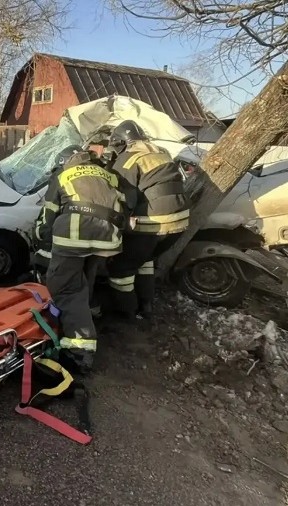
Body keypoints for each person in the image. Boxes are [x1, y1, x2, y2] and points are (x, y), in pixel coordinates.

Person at [33, 145, 130, 373]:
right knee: (86, 276)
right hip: (108, 238)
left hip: (75, 236)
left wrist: (41, 236)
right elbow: (126, 204)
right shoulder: (107, 173)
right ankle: (89, 309)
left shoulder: (63, 175)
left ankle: (80, 349)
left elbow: (48, 216)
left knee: (64, 287)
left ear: (65, 161)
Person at [103, 120, 190, 328]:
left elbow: (123, 196)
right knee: (145, 260)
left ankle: (126, 313)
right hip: (180, 220)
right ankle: (147, 306)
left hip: (152, 222)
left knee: (121, 270)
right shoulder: (161, 151)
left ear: (121, 142)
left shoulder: (127, 159)